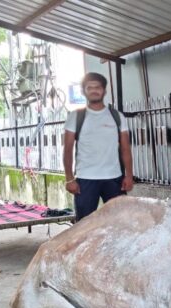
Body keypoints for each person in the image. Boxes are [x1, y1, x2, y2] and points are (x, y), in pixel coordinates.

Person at [63, 72, 133, 221]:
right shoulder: (75, 116)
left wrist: (129, 175)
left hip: (114, 179)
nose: (94, 90)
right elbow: (67, 150)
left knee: (120, 222)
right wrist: (69, 178)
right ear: (84, 91)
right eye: (90, 87)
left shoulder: (117, 116)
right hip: (85, 179)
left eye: (98, 87)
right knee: (84, 226)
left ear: (104, 91)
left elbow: (126, 149)